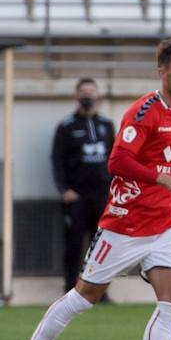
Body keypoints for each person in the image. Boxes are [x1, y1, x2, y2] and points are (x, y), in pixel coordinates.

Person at [4, 39, 171, 340]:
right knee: (84, 297)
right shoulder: (144, 112)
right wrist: (162, 180)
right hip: (124, 225)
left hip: (163, 224)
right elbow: (118, 161)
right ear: (162, 71)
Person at [51, 77, 115, 295]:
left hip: (102, 197)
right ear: (77, 95)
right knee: (74, 245)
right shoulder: (66, 127)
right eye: (83, 92)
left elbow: (116, 159)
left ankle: (100, 292)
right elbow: (57, 160)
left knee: (101, 247)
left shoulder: (106, 125)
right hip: (76, 198)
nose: (87, 96)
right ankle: (70, 289)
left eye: (91, 91)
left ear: (97, 95)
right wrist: (64, 190)